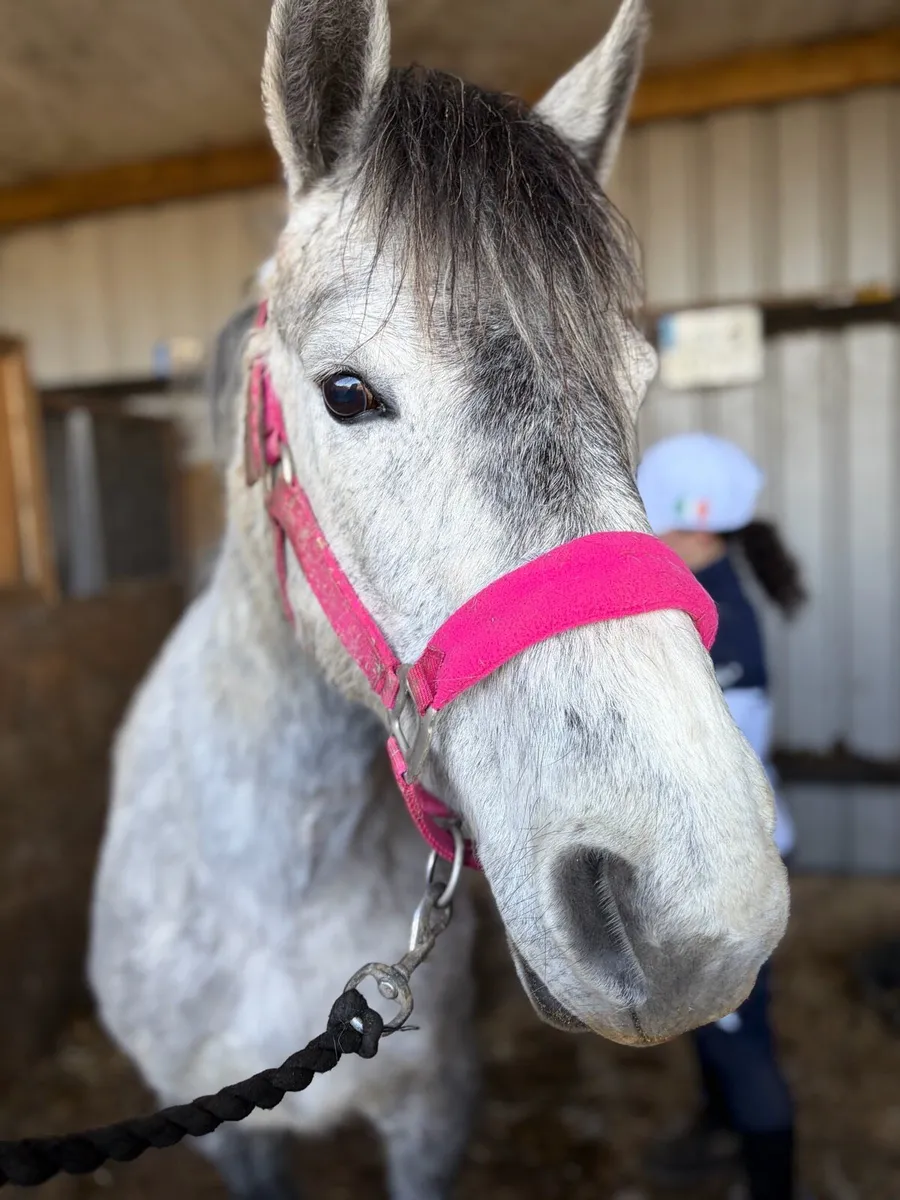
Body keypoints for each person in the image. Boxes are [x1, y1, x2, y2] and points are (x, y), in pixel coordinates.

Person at [635, 432, 808, 1200]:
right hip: (702, 852)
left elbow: (721, 771)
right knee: (706, 1013)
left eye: (652, 521)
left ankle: (774, 1184)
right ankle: (716, 1128)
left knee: (743, 1039)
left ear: (696, 525)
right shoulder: (699, 594)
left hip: (729, 860)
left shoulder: (721, 624)